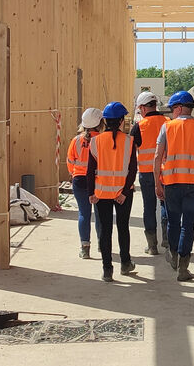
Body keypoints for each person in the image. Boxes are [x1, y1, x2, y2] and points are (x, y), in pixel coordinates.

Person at [154, 89, 194, 282]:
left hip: (171, 182)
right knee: (188, 224)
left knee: (173, 222)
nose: (171, 113)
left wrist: (156, 183)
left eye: (172, 109)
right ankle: (184, 267)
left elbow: (157, 157)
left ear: (178, 108)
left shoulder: (167, 128)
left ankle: (175, 256)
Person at [86, 101, 138, 282]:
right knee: (123, 228)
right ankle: (125, 263)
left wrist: (91, 193)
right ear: (122, 120)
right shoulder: (130, 142)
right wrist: (124, 192)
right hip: (123, 194)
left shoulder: (95, 141)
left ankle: (107, 269)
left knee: (105, 231)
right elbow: (132, 170)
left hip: (101, 194)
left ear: (105, 121)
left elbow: (90, 170)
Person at [131, 91, 168, 254]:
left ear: (142, 108)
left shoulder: (139, 127)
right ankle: (167, 241)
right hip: (166, 172)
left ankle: (152, 245)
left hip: (146, 174)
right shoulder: (168, 123)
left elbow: (130, 154)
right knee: (166, 205)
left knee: (149, 207)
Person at [67, 108, 103, 259]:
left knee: (84, 213)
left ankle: (85, 248)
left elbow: (70, 162)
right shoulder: (102, 140)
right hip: (98, 180)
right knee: (101, 214)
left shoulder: (76, 141)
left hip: (80, 180)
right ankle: (103, 244)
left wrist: (74, 174)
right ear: (100, 123)